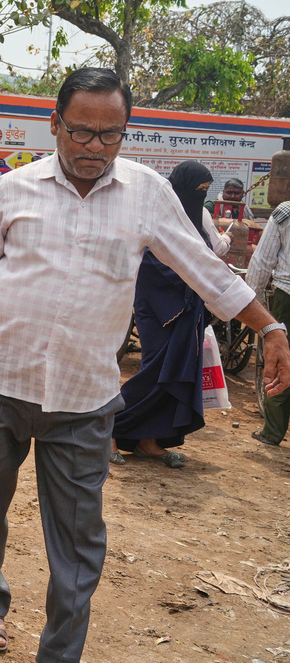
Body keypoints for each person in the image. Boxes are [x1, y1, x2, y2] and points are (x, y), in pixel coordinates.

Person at [0, 68, 290, 663]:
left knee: (78, 538)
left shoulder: (146, 193)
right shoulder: (14, 189)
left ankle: (57, 662)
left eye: (110, 135)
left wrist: (270, 328)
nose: (94, 147)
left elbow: (206, 269)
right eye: (82, 133)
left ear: (125, 133)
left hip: (85, 398)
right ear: (55, 125)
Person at [111, 161, 226, 468]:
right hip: (161, 309)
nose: (199, 198)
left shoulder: (197, 221)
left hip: (190, 314)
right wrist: (188, 281)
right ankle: (108, 431)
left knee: (175, 377)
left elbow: (206, 260)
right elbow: (149, 263)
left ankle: (150, 441)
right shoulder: (156, 215)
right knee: (154, 375)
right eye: (195, 191)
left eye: (205, 192)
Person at [247, 201, 290, 446]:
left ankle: (273, 432)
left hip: (286, 296)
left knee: (279, 359)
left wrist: (255, 304)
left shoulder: (285, 212)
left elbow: (262, 262)